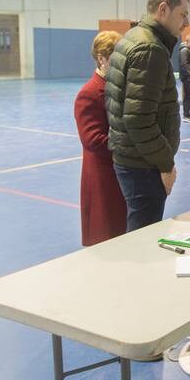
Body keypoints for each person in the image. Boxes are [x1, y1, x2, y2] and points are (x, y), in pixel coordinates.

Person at [106, 0, 190, 231]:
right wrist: (166, 164)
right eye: (183, 14)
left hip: (134, 158)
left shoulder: (133, 37)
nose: (186, 22)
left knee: (139, 233)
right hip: (144, 165)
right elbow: (138, 119)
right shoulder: (150, 48)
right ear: (163, 9)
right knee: (143, 238)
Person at [74, 31, 128, 246]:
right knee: (105, 234)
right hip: (102, 175)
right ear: (101, 58)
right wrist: (129, 143)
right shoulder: (89, 92)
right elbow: (92, 139)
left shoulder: (118, 88)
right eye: (114, 59)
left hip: (121, 170)